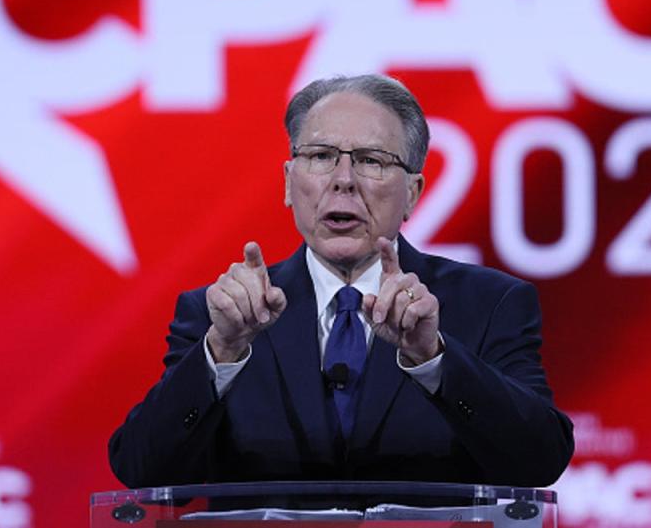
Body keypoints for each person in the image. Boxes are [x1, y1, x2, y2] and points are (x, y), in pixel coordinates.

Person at [109, 74, 574, 488]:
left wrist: (434, 360)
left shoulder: (490, 304)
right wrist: (222, 354)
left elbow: (539, 461)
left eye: (372, 160)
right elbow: (140, 469)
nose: (344, 180)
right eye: (321, 156)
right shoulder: (224, 315)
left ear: (412, 193)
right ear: (289, 184)